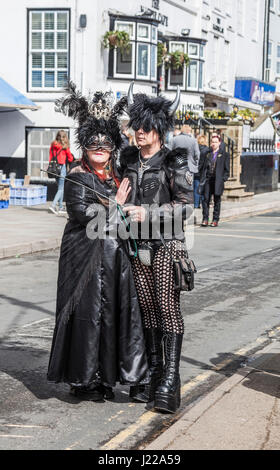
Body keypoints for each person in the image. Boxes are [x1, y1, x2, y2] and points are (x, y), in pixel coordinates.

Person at [47, 82, 149, 401]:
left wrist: (125, 209)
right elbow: (82, 214)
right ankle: (84, 379)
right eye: (94, 147)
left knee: (112, 317)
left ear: (112, 148)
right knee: (87, 318)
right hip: (85, 259)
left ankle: (108, 378)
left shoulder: (118, 176)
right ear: (86, 148)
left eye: (105, 146)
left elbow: (124, 217)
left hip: (115, 258)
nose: (100, 150)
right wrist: (115, 205)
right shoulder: (78, 175)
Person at [119, 83, 193, 414]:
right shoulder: (129, 159)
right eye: (137, 127)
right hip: (137, 246)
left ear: (158, 130)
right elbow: (120, 194)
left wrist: (147, 213)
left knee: (167, 308)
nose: (139, 133)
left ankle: (171, 379)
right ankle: (155, 373)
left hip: (166, 245)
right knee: (147, 309)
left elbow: (186, 206)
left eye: (146, 128)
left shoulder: (174, 161)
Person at [201, 134, 230, 227]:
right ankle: (205, 218)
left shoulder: (224, 154)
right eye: (212, 142)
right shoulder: (207, 153)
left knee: (217, 200)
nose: (213, 144)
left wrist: (223, 179)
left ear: (219, 143)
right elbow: (202, 164)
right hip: (208, 180)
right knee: (205, 200)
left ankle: (215, 220)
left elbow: (227, 169)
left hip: (218, 181)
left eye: (215, 142)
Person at [48, 130, 74, 215]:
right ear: (64, 137)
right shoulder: (65, 146)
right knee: (61, 188)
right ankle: (53, 205)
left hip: (54, 168)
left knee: (60, 188)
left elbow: (50, 156)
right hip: (61, 167)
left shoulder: (53, 144)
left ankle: (60, 207)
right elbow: (70, 158)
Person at [194, 135, 210, 209]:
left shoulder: (195, 149)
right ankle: (204, 203)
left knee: (196, 188)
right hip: (204, 172)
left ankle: (196, 204)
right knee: (203, 188)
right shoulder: (207, 150)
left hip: (196, 171)